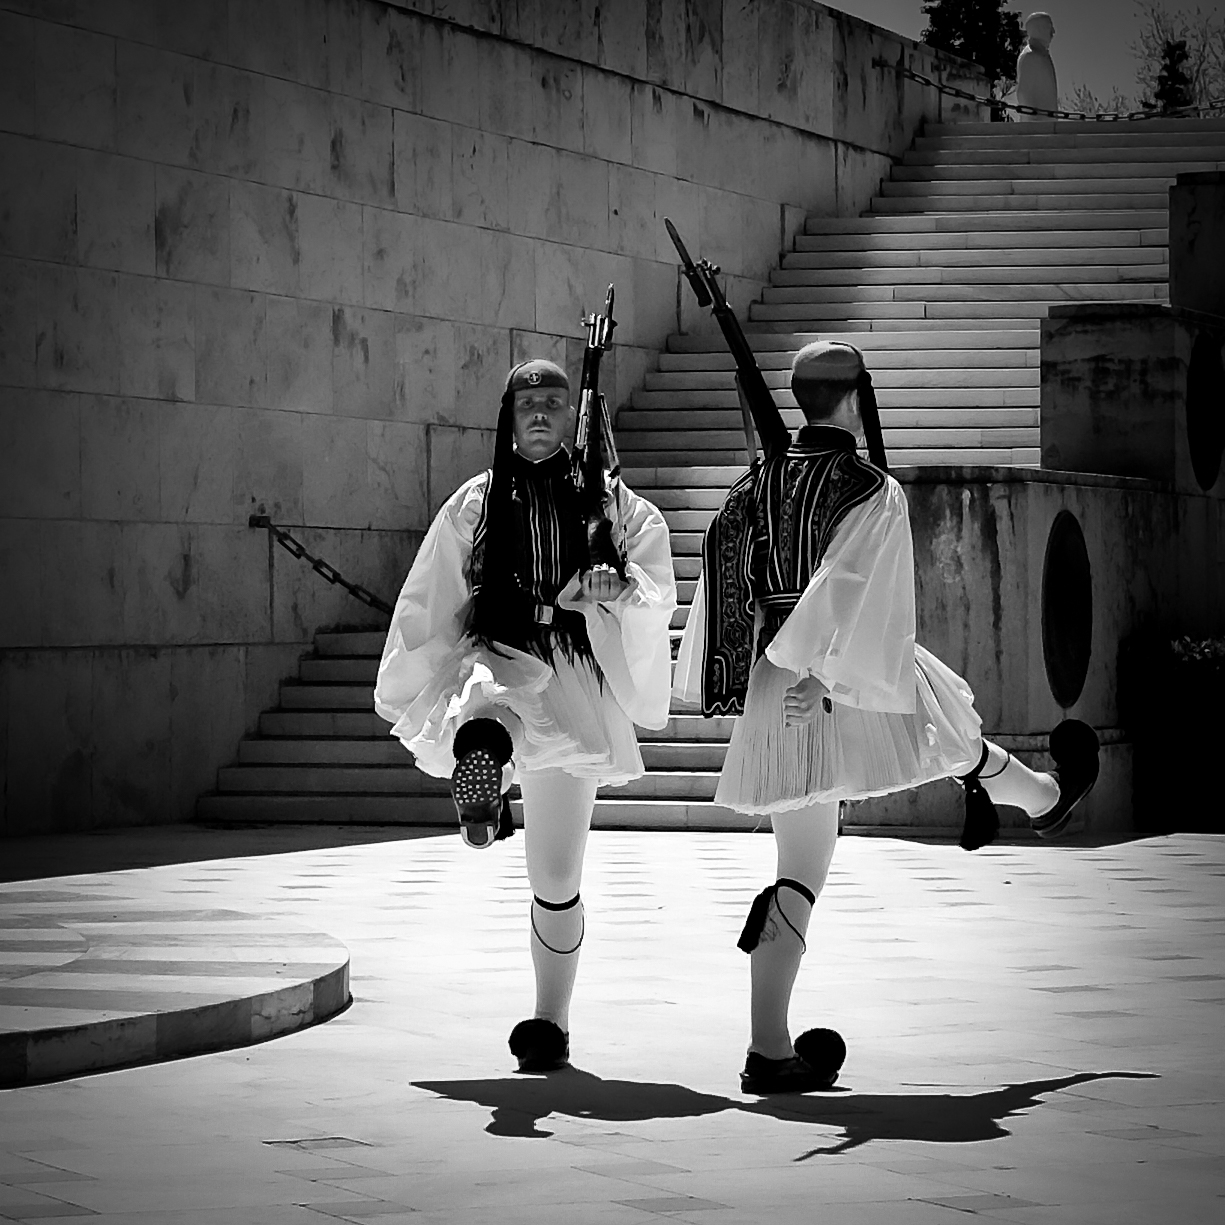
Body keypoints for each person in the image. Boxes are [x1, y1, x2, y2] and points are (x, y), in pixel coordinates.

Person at [674, 341, 1099, 1095]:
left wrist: (754, 674)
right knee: (941, 729)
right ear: (856, 395)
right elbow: (845, 584)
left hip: (784, 680)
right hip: (832, 669)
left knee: (825, 841)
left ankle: (768, 1047)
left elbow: (722, 567)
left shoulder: (751, 483)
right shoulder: (868, 486)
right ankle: (1042, 797)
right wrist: (819, 670)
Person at [375, 358, 677, 1074]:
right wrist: (414, 676)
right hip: (500, 648)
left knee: (555, 875)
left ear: (573, 415)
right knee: (482, 702)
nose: (540, 413)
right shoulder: (476, 503)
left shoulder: (612, 503)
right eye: (527, 402)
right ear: (507, 416)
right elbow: (435, 593)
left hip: (570, 670)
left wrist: (618, 583)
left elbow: (654, 579)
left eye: (552, 401)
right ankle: (484, 767)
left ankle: (550, 1021)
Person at [1016, 12, 1059, 118]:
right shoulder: (1030, 56)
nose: (1053, 32)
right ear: (1038, 29)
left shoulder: (1042, 55)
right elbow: (1023, 94)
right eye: (1049, 27)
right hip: (1037, 126)